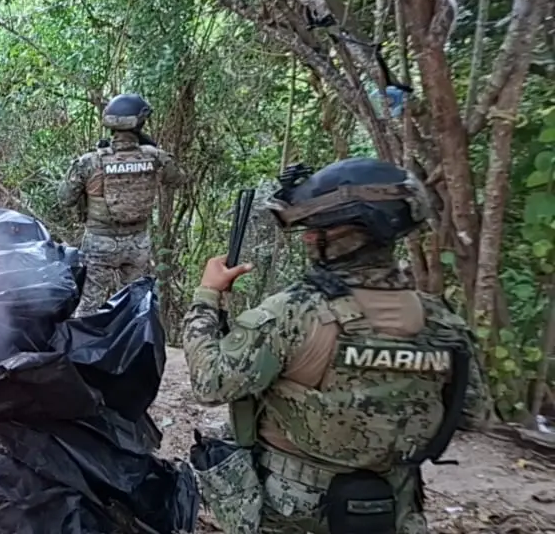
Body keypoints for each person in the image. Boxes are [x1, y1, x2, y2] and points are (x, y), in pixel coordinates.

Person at [182, 158, 493, 534]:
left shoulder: (296, 312)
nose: (310, 238)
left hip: (292, 511)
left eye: (318, 230)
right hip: (392, 509)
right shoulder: (441, 321)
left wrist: (206, 297)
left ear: (352, 233)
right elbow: (471, 413)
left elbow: (210, 382)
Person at [58, 93, 182, 316]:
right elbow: (178, 178)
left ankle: (84, 348)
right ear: (141, 123)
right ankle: (132, 349)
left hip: (99, 243)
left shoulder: (91, 161)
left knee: (88, 306)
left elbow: (65, 198)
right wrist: (148, 148)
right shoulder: (155, 157)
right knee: (134, 305)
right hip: (138, 243)